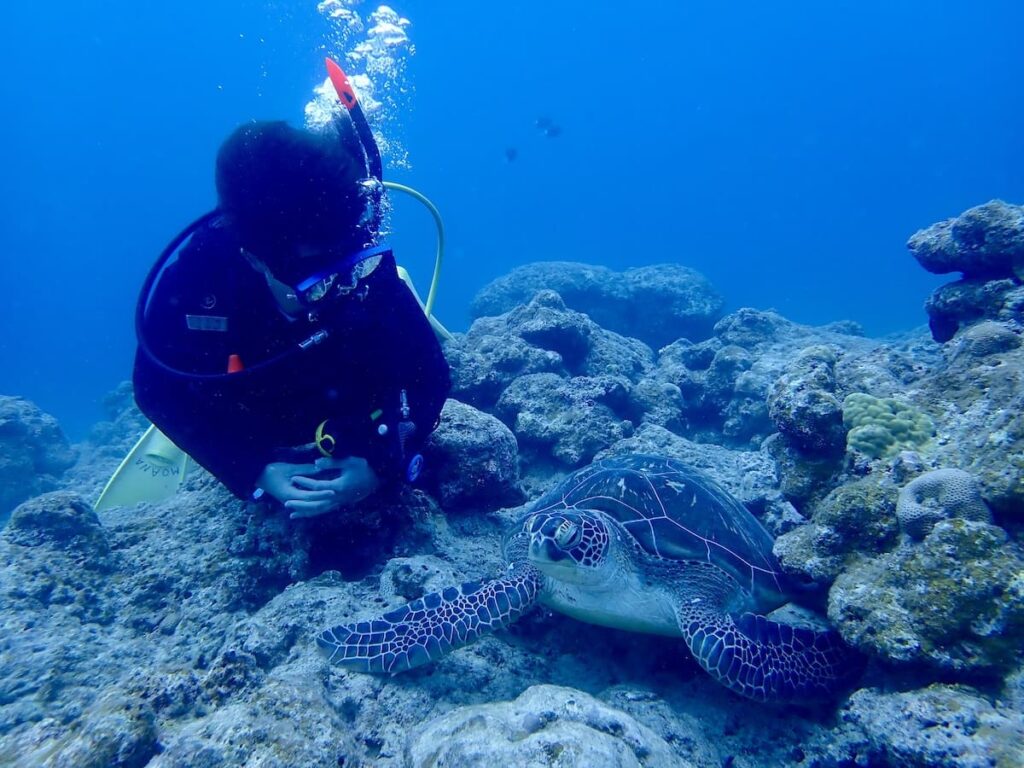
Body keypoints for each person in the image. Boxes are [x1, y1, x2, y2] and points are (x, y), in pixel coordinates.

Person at [132, 104, 450, 519]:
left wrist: (382, 463)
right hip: (253, 399)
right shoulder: (199, 279)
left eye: (348, 265)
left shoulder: (363, 268)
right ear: (255, 259)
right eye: (315, 280)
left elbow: (432, 378)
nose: (340, 286)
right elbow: (155, 390)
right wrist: (254, 469)